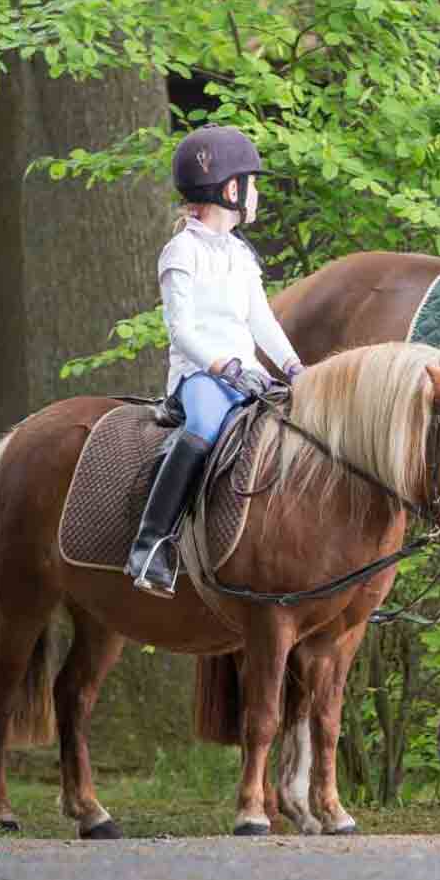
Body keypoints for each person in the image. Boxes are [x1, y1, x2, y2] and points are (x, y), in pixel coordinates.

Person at [125, 123, 302, 594]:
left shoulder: (240, 254)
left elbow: (262, 320)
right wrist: (225, 367)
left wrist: (293, 367)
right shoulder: (181, 251)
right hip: (201, 376)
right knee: (204, 425)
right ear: (231, 190)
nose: (256, 194)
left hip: (248, 375)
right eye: (252, 184)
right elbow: (182, 332)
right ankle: (151, 545)